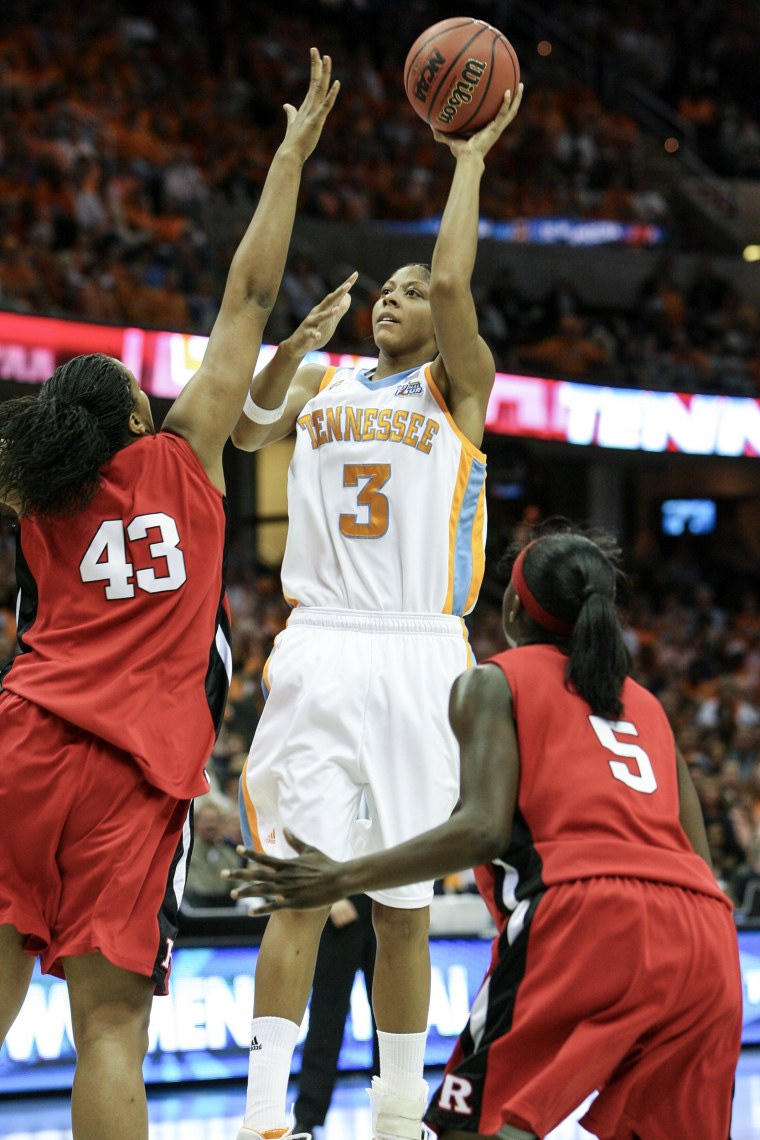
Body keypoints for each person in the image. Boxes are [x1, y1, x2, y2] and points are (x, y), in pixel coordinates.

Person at [0, 49, 343, 1140]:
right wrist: (289, 156)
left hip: (22, 743)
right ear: (140, 419)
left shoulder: (35, 503)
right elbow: (247, 294)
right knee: (109, 1033)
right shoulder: (185, 455)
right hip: (131, 776)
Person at [227, 523, 743, 1140]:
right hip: (706, 937)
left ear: (514, 608)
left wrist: (342, 876)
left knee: (472, 1127)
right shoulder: (647, 704)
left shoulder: (499, 679)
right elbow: (697, 857)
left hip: (587, 914)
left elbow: (482, 829)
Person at [230, 84, 524, 1140]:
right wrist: (289, 348)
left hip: (418, 651)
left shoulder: (459, 386)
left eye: (411, 291)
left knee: (404, 907)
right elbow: (248, 431)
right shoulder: (326, 385)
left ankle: (398, 1114)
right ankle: (264, 1118)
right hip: (321, 643)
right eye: (385, 290)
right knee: (298, 892)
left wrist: (467, 162)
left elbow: (450, 278)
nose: (396, 298)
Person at [293, 895, 379, 1138]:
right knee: (326, 1018)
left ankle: (395, 1114)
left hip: (388, 905)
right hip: (340, 903)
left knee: (391, 1026)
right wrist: (330, 897)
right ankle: (307, 1117)